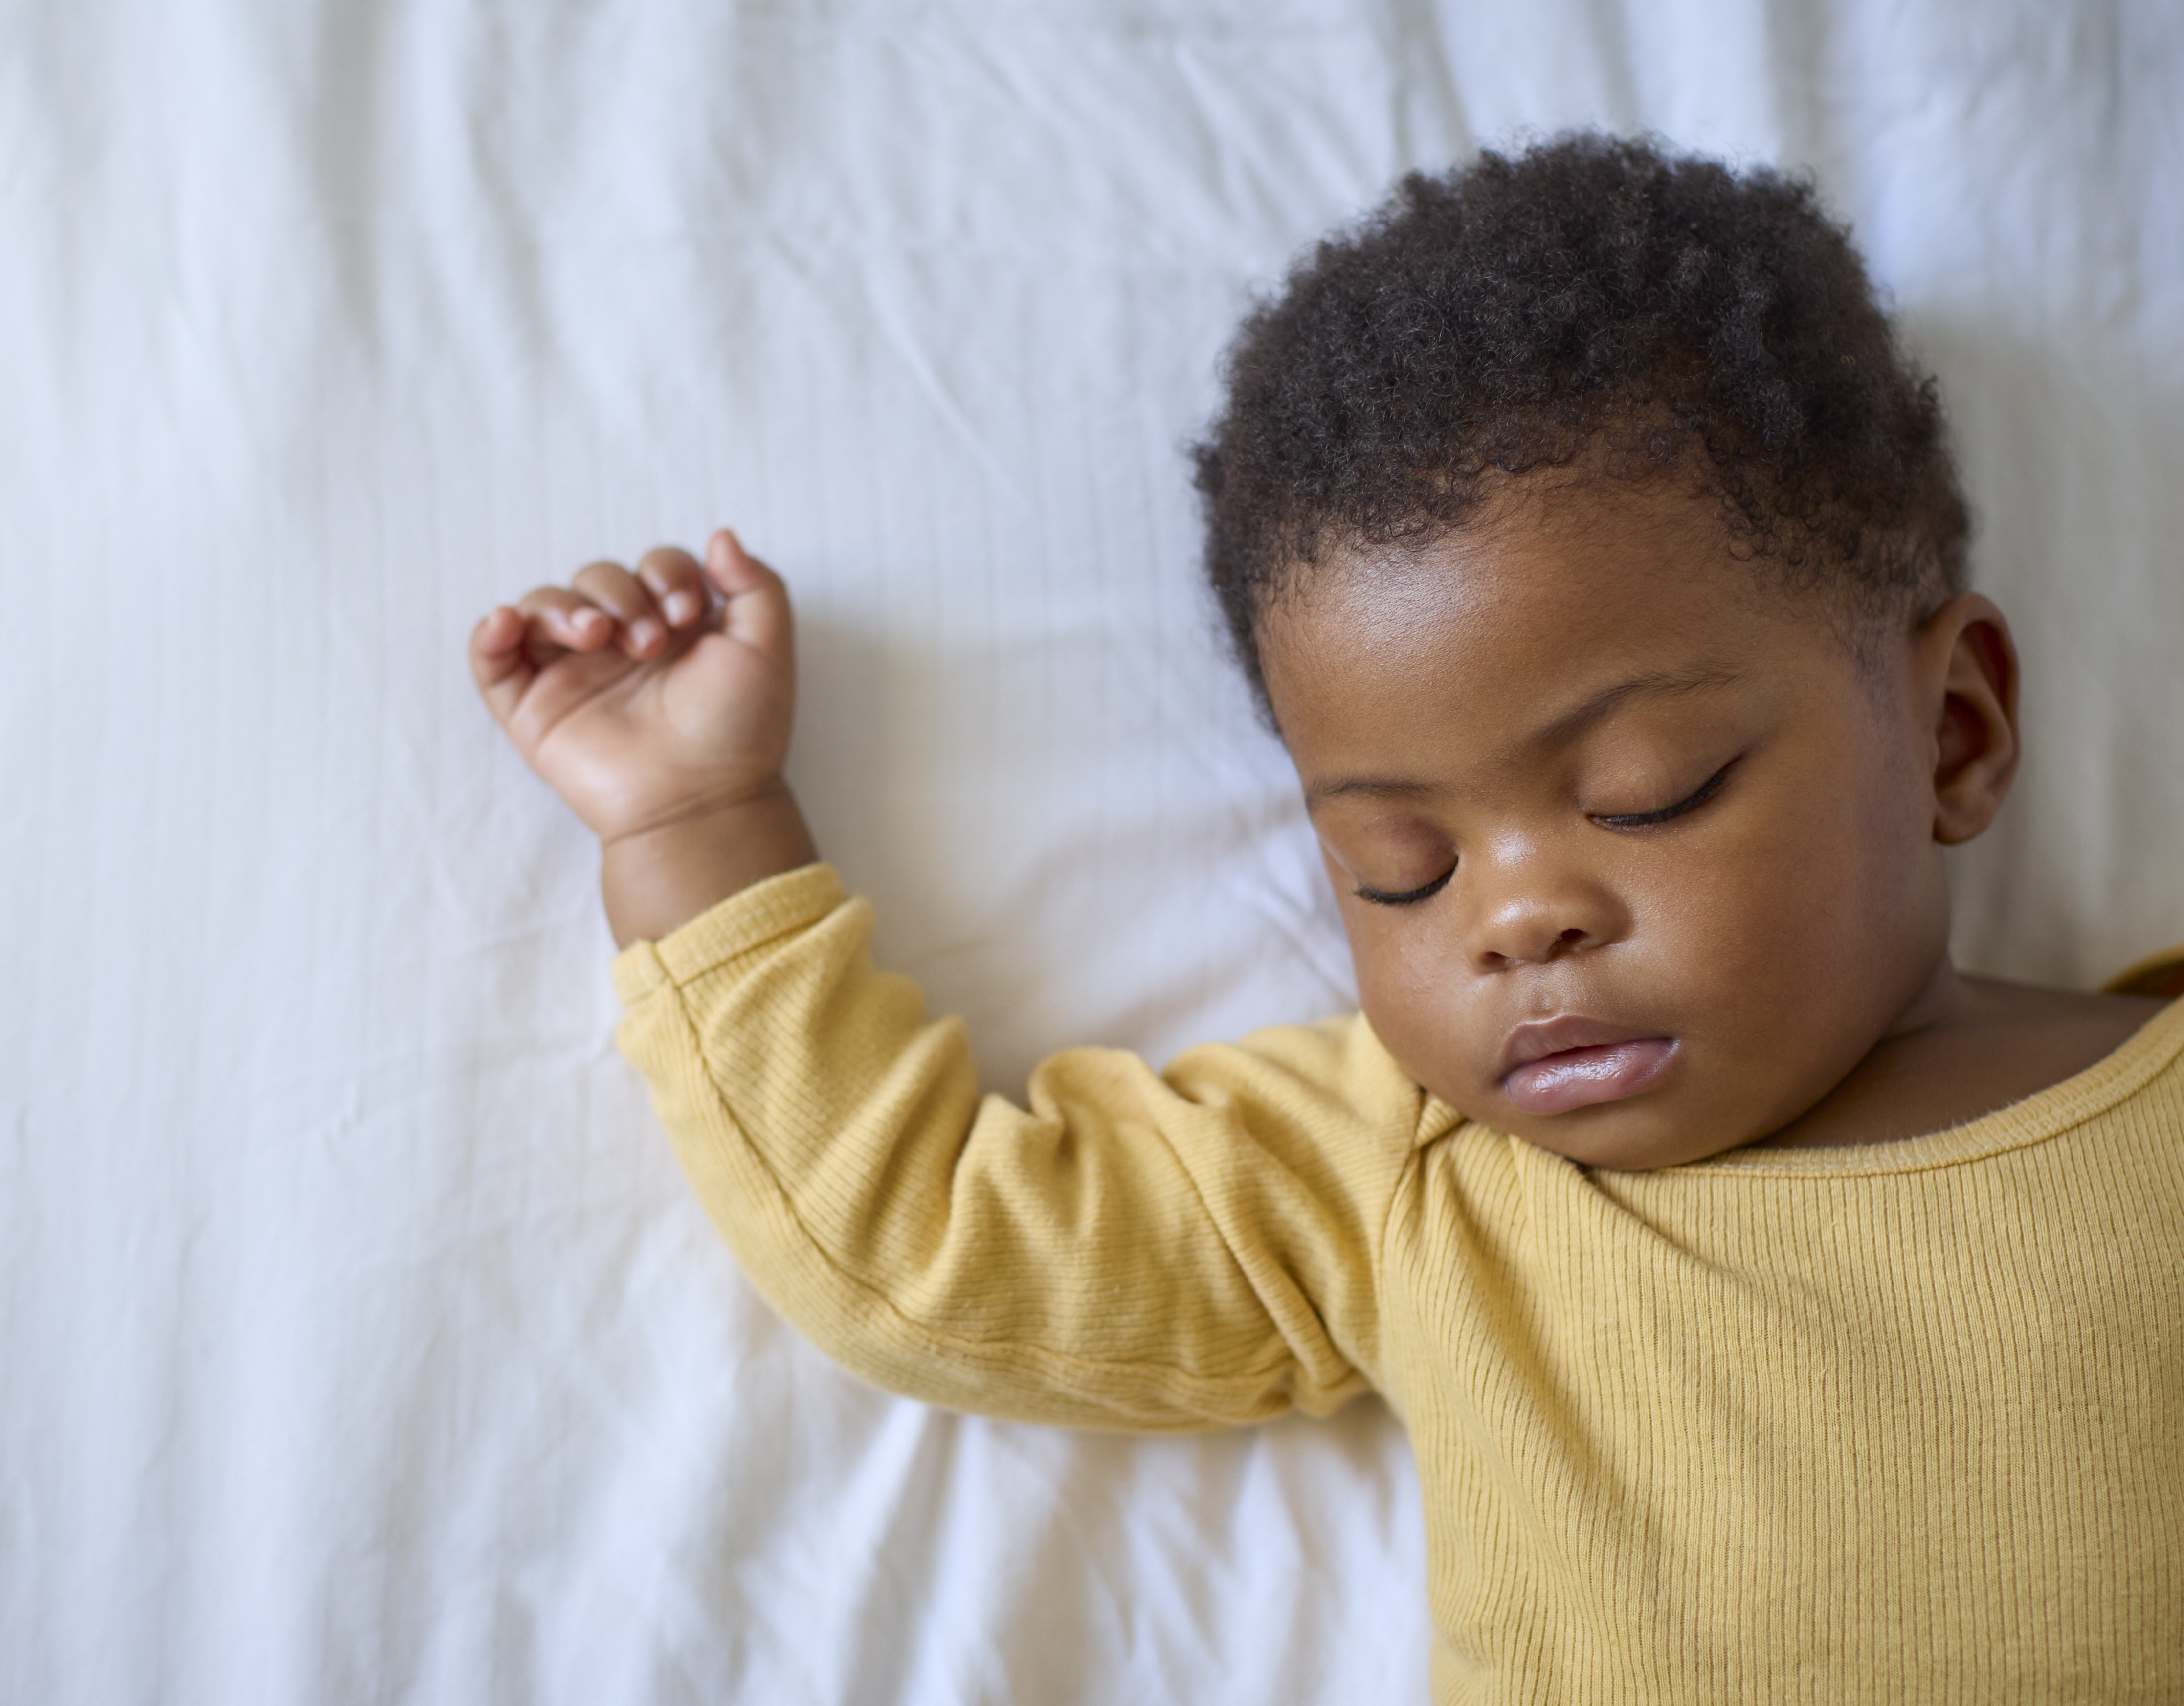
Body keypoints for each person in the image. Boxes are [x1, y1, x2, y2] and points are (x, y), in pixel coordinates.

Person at [467, 135, 2184, 1701]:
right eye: (1398, 869)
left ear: (1952, 731)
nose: (1514, 920)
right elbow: (936, 1252)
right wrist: (699, 827)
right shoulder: (1422, 1178)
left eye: (1649, 788)